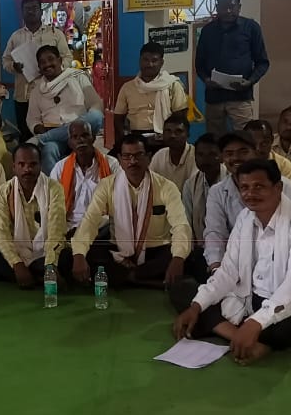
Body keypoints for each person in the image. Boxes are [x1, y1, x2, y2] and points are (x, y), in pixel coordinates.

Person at [173, 159, 291, 365]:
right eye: (244, 187)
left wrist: (256, 322)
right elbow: (228, 270)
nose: (250, 193)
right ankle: (244, 338)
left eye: (259, 186)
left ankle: (243, 333)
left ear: (278, 187)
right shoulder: (245, 218)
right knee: (185, 292)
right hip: (252, 297)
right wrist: (196, 306)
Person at [71, 135, 192, 289]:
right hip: (118, 252)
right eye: (127, 156)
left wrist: (178, 259)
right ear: (120, 160)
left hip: (154, 252)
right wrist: (79, 255)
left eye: (138, 155)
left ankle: (128, 277)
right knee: (78, 253)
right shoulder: (107, 185)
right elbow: (90, 220)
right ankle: (141, 279)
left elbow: (180, 225)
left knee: (183, 254)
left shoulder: (166, 187)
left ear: (148, 157)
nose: (133, 161)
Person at [195, 133, 291, 289]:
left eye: (243, 152)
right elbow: (215, 232)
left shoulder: (282, 186)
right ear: (222, 158)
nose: (236, 158)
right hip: (238, 264)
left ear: (256, 153)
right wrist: (216, 268)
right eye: (229, 153)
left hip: (280, 262)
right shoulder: (218, 191)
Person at [0, 143, 69, 288]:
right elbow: (1, 233)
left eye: (33, 164)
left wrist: (50, 264)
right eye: (22, 164)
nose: (27, 169)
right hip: (17, 249)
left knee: (67, 257)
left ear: (40, 166)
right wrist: (17, 264)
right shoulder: (4, 191)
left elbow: (57, 231)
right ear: (14, 167)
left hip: (45, 252)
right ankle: (36, 277)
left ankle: (26, 275)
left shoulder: (54, 188)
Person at [196, 0, 269, 136]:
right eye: (224, 7)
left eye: (232, 7)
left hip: (240, 97)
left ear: (239, 7)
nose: (228, 11)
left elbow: (262, 62)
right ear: (217, 7)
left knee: (245, 138)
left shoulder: (251, 28)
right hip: (214, 97)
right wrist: (206, 80)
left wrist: (250, 81)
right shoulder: (208, 31)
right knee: (215, 139)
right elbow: (199, 63)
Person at [27, 45, 104, 172]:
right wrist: (38, 128)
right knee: (49, 149)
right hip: (56, 137)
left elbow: (96, 104)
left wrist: (81, 124)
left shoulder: (78, 77)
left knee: (96, 116)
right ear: (39, 67)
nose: (47, 64)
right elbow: (32, 119)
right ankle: (53, 185)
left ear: (60, 60)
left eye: (51, 59)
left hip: (80, 131)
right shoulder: (36, 90)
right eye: (42, 62)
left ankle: (42, 139)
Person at [2, 0, 68, 141]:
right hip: (23, 95)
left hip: (49, 93)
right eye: (27, 9)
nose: (31, 11)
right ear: (22, 12)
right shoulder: (16, 36)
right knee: (25, 135)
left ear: (41, 11)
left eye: (34, 8)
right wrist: (14, 66)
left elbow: (67, 58)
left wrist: (53, 69)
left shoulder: (55, 34)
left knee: (48, 134)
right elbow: (5, 60)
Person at [112, 42, 189, 151]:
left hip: (164, 138)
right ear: (140, 61)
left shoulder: (172, 85)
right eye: (146, 60)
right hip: (136, 138)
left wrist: (166, 136)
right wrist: (123, 140)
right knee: (110, 159)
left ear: (161, 63)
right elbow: (118, 118)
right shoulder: (127, 87)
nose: (150, 64)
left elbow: (180, 117)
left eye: (154, 60)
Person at [49, 119, 119, 236]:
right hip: (69, 227)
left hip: (100, 226)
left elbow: (120, 201)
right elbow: (52, 204)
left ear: (93, 138)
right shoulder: (60, 168)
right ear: (70, 142)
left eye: (85, 135)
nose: (80, 140)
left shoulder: (111, 164)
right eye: (75, 137)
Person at [180, 133, 225, 247]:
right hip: (200, 247)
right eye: (200, 155)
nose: (206, 160)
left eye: (212, 154)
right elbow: (186, 222)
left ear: (222, 156)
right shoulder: (190, 185)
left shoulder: (232, 181)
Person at [148, 113, 195, 190]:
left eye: (178, 131)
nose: (172, 135)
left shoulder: (195, 156)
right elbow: (150, 183)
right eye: (168, 131)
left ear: (188, 134)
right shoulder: (159, 155)